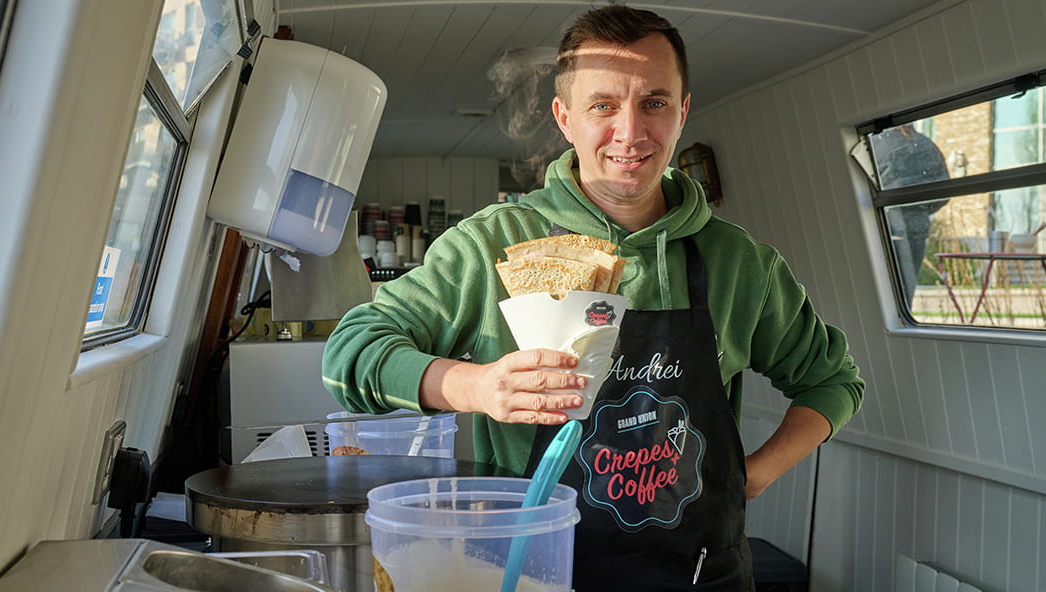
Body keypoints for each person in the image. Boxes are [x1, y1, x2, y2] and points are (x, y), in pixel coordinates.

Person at [323, 5, 864, 589]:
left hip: (706, 575)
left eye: (654, 102)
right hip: (535, 574)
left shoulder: (740, 264)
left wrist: (752, 474)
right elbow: (348, 354)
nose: (630, 133)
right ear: (565, 118)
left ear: (682, 113)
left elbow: (833, 382)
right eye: (603, 105)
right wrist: (474, 387)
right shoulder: (491, 248)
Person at [870, 123, 950, 306]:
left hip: (882, 226)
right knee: (904, 295)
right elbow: (944, 191)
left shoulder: (875, 145)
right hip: (916, 228)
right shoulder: (927, 145)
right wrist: (921, 209)